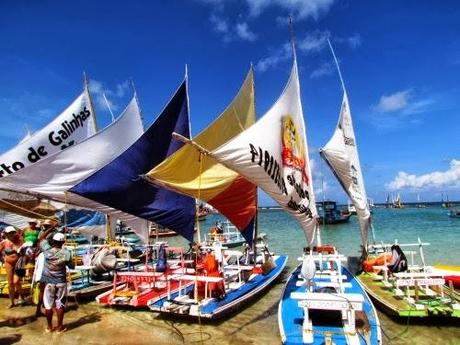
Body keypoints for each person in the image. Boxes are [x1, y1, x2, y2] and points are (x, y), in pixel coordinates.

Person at [38, 226, 74, 333]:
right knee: (60, 304)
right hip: (61, 282)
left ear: (53, 241)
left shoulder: (47, 250)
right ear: (63, 242)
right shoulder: (66, 253)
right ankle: (59, 327)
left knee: (48, 306)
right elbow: (71, 266)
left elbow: (41, 238)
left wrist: (51, 228)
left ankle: (49, 327)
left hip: (49, 282)